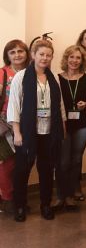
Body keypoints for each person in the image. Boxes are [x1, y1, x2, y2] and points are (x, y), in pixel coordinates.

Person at [7, 39, 64, 222]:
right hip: (27, 131)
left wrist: (62, 128)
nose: (45, 58)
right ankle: (20, 206)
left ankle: (45, 204)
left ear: (52, 57)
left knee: (47, 170)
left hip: (49, 132)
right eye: (41, 54)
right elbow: (14, 106)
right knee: (22, 170)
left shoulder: (54, 78)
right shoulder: (21, 76)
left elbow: (60, 105)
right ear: (33, 55)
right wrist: (17, 132)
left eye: (48, 55)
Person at [55, 45, 86, 211]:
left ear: (82, 61)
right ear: (66, 59)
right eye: (71, 57)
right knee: (63, 161)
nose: (74, 61)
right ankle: (60, 195)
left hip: (82, 124)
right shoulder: (56, 78)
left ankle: (70, 196)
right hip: (63, 123)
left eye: (78, 58)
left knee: (76, 159)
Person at [0, 39, 30, 214]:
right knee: (6, 164)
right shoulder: (3, 74)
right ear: (7, 55)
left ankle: (19, 198)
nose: (17, 55)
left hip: (25, 124)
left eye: (20, 51)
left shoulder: (32, 73)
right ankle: (8, 199)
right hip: (5, 125)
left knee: (22, 164)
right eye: (13, 52)